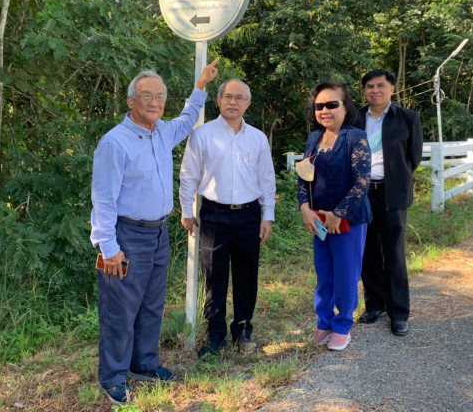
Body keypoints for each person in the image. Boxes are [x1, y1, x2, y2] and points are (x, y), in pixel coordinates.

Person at [90, 58, 220, 405]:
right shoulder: (115, 143)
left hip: (158, 234)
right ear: (130, 100)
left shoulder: (162, 131)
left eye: (160, 97)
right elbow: (102, 198)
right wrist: (108, 246)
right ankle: (113, 376)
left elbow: (189, 117)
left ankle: (144, 364)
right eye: (146, 95)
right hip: (126, 236)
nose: (154, 102)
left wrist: (202, 85)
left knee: (151, 305)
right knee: (120, 309)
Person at [179, 78, 276, 359]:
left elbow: (266, 180)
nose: (232, 102)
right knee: (215, 276)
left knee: (247, 275)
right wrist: (187, 211)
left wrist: (266, 215)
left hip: (248, 215)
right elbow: (188, 175)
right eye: (227, 96)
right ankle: (215, 334)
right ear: (218, 101)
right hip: (214, 215)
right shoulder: (202, 135)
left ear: (248, 103)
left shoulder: (257, 138)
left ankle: (243, 331)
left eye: (238, 97)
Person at [297, 81, 372, 351]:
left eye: (332, 104)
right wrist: (305, 208)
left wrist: (337, 214)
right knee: (324, 273)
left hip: (348, 220)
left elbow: (362, 182)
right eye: (319, 106)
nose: (325, 110)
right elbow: (304, 177)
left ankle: (343, 325)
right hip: (319, 219)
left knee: (345, 274)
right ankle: (324, 322)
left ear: (345, 106)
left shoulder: (355, 137)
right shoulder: (313, 139)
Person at [357, 69, 423, 336]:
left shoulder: (407, 118)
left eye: (381, 86)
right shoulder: (355, 118)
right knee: (368, 251)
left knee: (394, 253)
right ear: (364, 91)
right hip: (361, 194)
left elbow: (413, 158)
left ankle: (399, 312)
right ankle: (375, 304)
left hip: (392, 194)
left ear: (392, 88)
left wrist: (396, 180)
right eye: (370, 86)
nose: (375, 90)